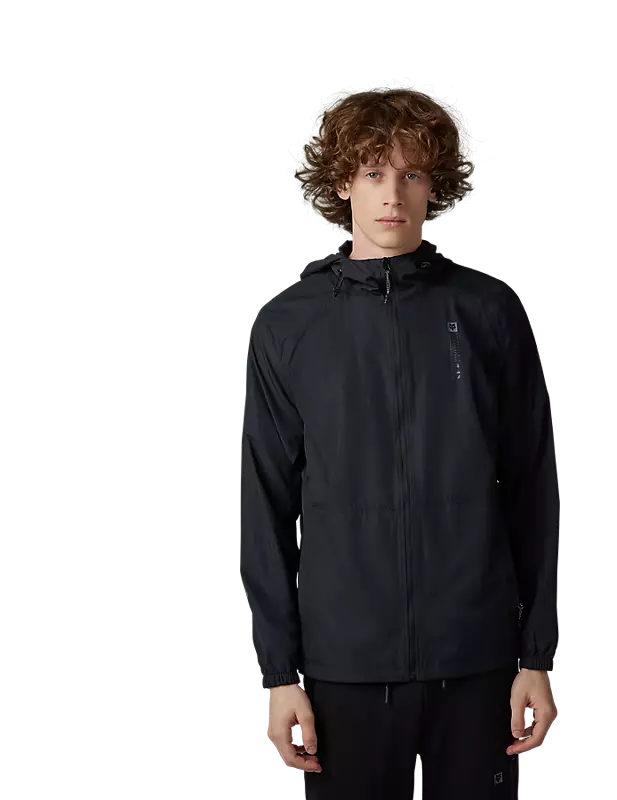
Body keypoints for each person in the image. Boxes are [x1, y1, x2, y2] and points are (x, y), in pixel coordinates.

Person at [240, 77, 560, 799]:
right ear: (341, 183)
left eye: (412, 175)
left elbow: (534, 488)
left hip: (479, 660)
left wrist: (536, 653)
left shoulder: (489, 311)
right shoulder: (287, 325)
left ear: (435, 184)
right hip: (343, 668)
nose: (392, 195)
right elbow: (264, 504)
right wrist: (278, 672)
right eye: (373, 173)